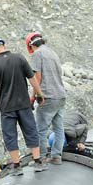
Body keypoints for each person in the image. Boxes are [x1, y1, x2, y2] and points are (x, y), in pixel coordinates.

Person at [0, 36, 47, 176]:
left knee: (10, 135)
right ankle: (37, 162)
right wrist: (39, 93)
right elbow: (32, 78)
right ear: (3, 45)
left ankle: (17, 166)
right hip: (24, 104)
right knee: (31, 130)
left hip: (7, 108)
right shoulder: (19, 58)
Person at [25, 32, 66, 165]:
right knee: (58, 128)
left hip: (48, 97)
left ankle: (41, 158)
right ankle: (56, 156)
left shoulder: (38, 54)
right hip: (61, 95)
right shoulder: (53, 53)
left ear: (30, 46)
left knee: (40, 129)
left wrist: (33, 96)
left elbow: (37, 77)